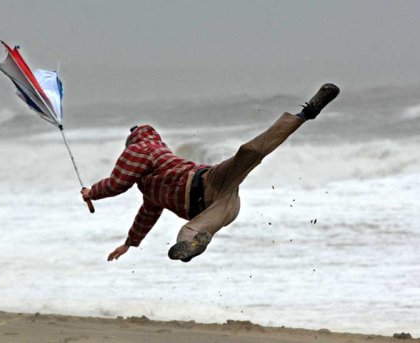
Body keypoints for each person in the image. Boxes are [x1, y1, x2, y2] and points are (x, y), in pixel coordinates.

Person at [81, 84, 340, 262]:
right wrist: (130, 243)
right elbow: (147, 215)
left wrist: (92, 192)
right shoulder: (150, 187)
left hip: (208, 183)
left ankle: (306, 113)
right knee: (248, 154)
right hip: (223, 200)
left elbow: (118, 183)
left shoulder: (142, 149)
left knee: (246, 154)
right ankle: (196, 245)